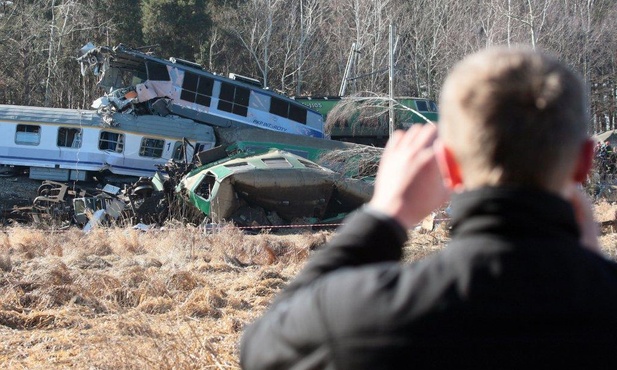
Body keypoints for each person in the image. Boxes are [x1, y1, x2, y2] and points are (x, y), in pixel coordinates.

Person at [240, 47, 617, 369]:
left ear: (448, 166)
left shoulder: (361, 317)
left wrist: (384, 217)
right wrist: (587, 265)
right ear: (585, 163)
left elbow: (259, 349)